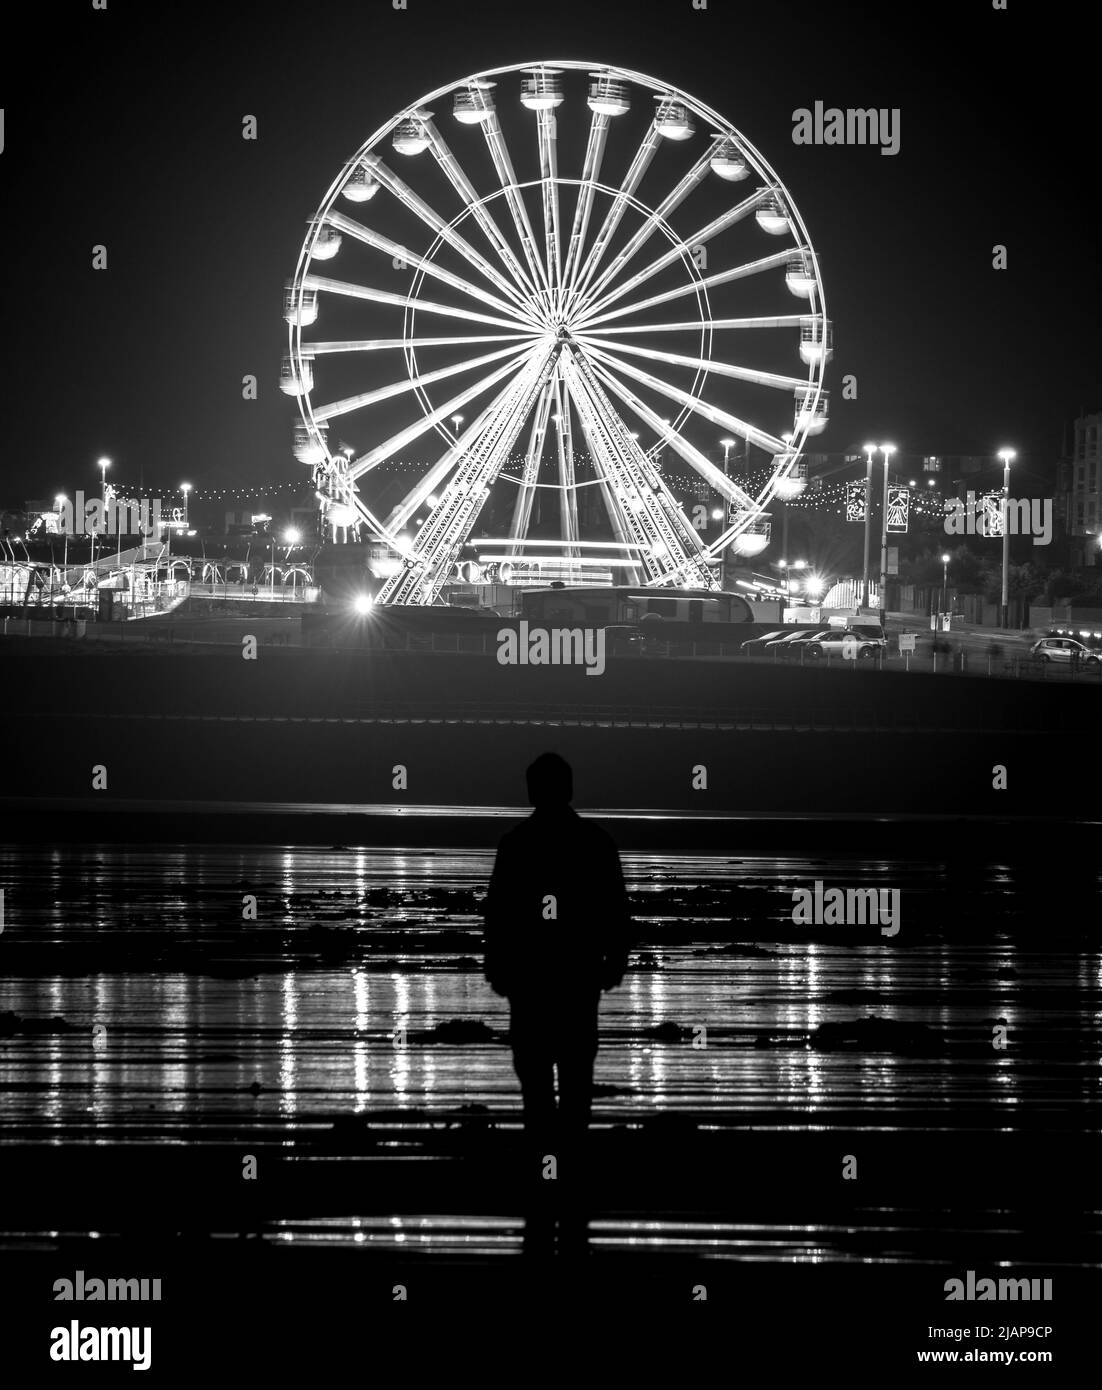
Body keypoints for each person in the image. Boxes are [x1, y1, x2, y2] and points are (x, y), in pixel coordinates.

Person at [483, 752, 632, 1142]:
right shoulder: (596, 843)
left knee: (534, 1082)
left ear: (532, 791)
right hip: (577, 976)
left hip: (530, 978)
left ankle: (543, 1163)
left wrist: (496, 965)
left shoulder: (515, 845)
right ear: (568, 789)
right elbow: (615, 908)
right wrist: (614, 960)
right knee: (576, 1077)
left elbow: (498, 912)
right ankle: (571, 1162)